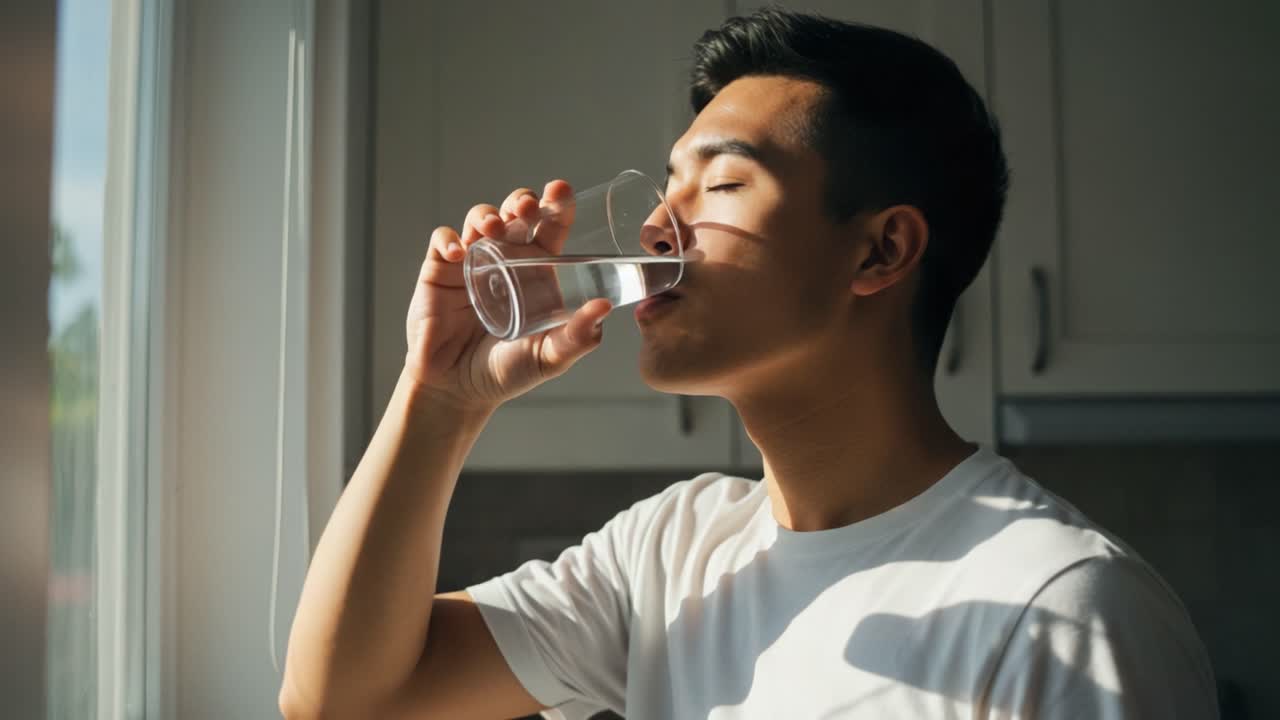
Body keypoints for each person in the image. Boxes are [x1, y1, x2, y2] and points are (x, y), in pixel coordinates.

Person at [280, 7, 1218, 719]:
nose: (654, 229)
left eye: (723, 184)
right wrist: (439, 396)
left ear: (881, 252)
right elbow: (347, 697)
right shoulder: (673, 551)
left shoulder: (1064, 607)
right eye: (671, 182)